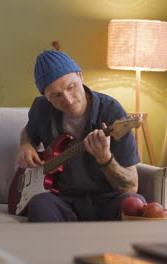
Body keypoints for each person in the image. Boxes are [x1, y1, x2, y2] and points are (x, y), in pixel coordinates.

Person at [17, 50, 145, 222]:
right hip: (62, 199)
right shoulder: (41, 109)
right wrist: (26, 144)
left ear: (80, 76)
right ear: (46, 98)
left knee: (135, 204)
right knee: (40, 204)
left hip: (106, 199)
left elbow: (131, 186)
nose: (68, 100)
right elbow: (28, 132)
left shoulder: (112, 111)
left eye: (71, 87)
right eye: (56, 95)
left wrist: (105, 159)